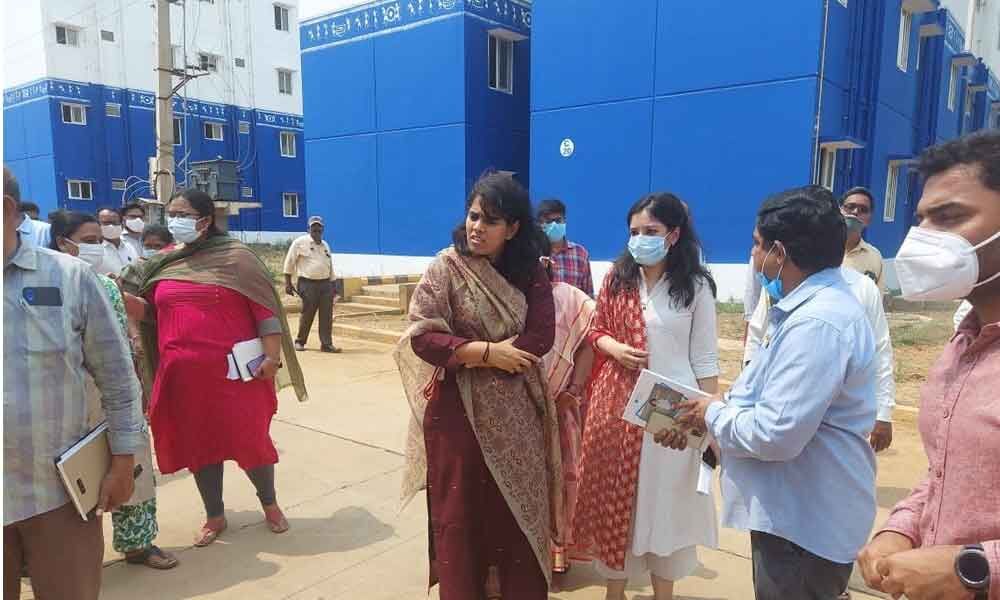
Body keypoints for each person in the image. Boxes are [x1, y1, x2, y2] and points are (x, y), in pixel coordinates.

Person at [661, 185, 878, 600]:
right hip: (796, 515)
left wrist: (711, 413)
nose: (754, 258)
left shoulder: (818, 323)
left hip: (803, 527)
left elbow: (776, 433)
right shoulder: (810, 310)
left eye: (757, 247)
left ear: (780, 253)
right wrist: (710, 420)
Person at [394, 172, 561, 599]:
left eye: (490, 221)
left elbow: (542, 335)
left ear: (514, 229)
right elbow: (422, 336)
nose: (476, 227)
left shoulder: (532, 272)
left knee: (514, 513)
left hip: (516, 416)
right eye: (473, 216)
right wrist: (487, 353)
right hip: (458, 415)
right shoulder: (446, 266)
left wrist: (503, 354)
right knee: (462, 515)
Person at [119, 189, 308, 547]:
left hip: (237, 376)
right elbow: (154, 316)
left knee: (251, 441)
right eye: (170, 212)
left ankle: (269, 503)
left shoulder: (237, 259)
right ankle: (215, 515)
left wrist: (272, 358)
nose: (174, 219)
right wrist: (126, 301)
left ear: (205, 220)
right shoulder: (163, 261)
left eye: (182, 213)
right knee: (200, 447)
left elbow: (264, 310)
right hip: (183, 377)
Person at [858, 131, 1000, 600]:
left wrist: (974, 568)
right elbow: (947, 472)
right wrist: (901, 528)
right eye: (921, 220)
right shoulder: (961, 345)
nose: (924, 238)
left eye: (950, 217)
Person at [572, 193, 720, 600]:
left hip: (672, 409)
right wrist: (614, 348)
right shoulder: (618, 279)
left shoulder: (695, 286)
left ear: (673, 235)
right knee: (619, 505)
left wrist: (712, 419)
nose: (640, 239)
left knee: (664, 506)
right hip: (619, 407)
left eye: (650, 232)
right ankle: (614, 593)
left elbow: (705, 358)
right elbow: (596, 329)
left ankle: (663, 594)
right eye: (634, 231)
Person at [3, 166, 142, 600]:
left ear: (6, 210)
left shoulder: (69, 278)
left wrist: (123, 463)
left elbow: (118, 379)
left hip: (56, 496)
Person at [49, 210, 178, 570]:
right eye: (88, 241)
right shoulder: (47, 287)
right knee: (73, 479)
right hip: (68, 398)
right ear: (63, 243)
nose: (96, 248)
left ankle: (138, 544)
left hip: (119, 392)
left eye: (99, 241)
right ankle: (57, 558)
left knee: (133, 467)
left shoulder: (105, 285)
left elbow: (139, 317)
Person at [743, 247, 897, 452]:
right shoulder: (779, 285)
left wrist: (883, 413)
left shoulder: (862, 289)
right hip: (778, 404)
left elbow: (880, 349)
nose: (754, 251)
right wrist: (747, 389)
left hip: (836, 421)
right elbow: (757, 336)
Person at [539, 255, 596, 577]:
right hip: (519, 414)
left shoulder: (567, 297)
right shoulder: (508, 297)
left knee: (562, 483)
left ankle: (559, 558)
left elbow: (589, 341)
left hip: (560, 410)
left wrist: (573, 390)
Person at [283, 216, 340, 353]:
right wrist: (288, 283)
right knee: (307, 313)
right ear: (308, 229)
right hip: (307, 284)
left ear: (322, 229)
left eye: (318, 228)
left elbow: (329, 266)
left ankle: (326, 344)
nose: (316, 230)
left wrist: (334, 285)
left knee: (326, 315)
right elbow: (289, 262)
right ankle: (300, 341)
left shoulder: (325, 245)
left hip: (325, 284)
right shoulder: (299, 243)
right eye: (313, 228)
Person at [537, 198, 594, 296]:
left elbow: (588, 296)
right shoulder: (534, 253)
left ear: (565, 221)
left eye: (558, 220)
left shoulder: (580, 254)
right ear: (541, 224)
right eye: (549, 221)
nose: (554, 225)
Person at [840, 187, 886, 293]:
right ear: (840, 210)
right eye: (850, 207)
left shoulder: (875, 257)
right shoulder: (822, 248)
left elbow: (877, 301)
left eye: (863, 210)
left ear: (870, 218)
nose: (855, 212)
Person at [98, 206, 139, 276]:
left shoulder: (129, 246)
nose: (110, 226)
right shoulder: (94, 250)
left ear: (122, 225)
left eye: (114, 223)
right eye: (106, 223)